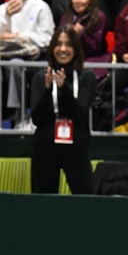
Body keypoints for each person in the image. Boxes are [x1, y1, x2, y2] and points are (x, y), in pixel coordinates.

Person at [30, 26, 96, 194]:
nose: (63, 49)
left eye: (68, 45)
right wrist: (46, 90)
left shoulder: (86, 77)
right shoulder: (41, 77)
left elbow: (80, 115)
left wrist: (65, 88)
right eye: (59, 44)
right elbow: (37, 119)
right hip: (45, 146)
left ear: (76, 48)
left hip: (76, 145)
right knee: (43, 203)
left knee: (85, 199)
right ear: (52, 48)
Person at [58, 0, 109, 70]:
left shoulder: (99, 17)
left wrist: (81, 35)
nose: (77, 1)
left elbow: (95, 48)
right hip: (68, 60)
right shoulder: (66, 18)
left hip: (93, 62)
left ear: (91, 0)